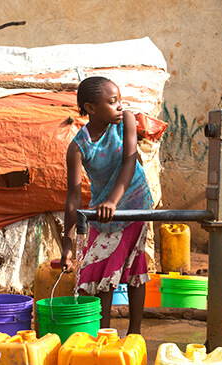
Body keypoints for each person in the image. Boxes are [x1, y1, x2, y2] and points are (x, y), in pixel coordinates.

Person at [61, 76, 153, 335]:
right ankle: (104, 336)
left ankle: (134, 333)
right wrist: (67, 243)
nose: (120, 106)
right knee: (98, 270)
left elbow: (130, 162)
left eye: (120, 100)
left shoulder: (127, 121)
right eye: (112, 102)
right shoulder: (79, 147)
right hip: (104, 213)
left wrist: (113, 201)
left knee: (136, 265)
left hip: (134, 203)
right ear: (90, 108)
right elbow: (73, 197)